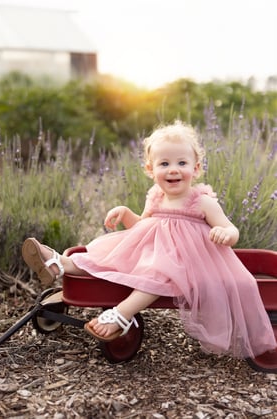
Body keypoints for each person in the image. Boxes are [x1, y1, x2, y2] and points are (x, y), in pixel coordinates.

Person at [22, 120, 276, 359]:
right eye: (164, 164)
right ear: (150, 170)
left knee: (156, 275)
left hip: (184, 264)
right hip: (154, 252)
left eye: (182, 163)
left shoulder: (203, 201)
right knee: (110, 255)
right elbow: (143, 225)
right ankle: (60, 263)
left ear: (196, 168)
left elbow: (230, 229)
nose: (173, 169)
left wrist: (226, 234)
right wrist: (126, 213)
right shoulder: (155, 196)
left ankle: (122, 314)